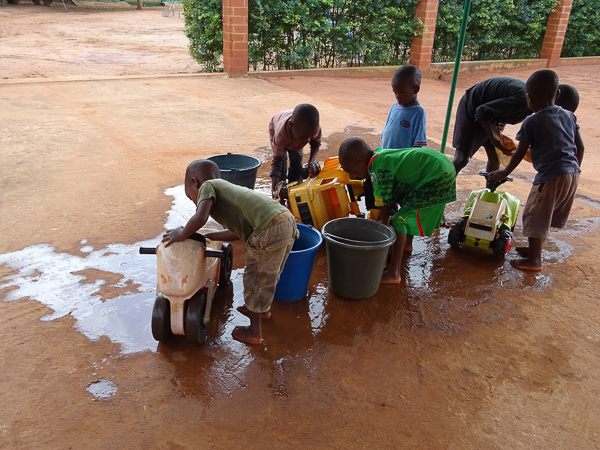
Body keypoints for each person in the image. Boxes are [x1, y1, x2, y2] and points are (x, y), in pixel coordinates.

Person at [162, 160, 299, 345]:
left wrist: (183, 233)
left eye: (191, 197)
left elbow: (200, 218)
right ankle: (262, 310)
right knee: (267, 276)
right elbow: (236, 232)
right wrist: (209, 236)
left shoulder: (208, 186)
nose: (195, 201)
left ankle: (254, 331)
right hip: (285, 221)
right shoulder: (229, 194)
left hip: (269, 227)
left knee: (255, 279)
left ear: (195, 183)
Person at [489, 70, 584, 271]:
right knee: (545, 214)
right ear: (557, 94)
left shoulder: (532, 121)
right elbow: (580, 147)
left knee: (535, 215)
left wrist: (503, 172)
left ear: (529, 98)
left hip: (550, 176)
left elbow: (519, 153)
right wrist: (574, 168)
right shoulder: (569, 115)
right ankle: (534, 251)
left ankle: (535, 261)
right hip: (572, 172)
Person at [338, 137, 456, 284]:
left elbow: (385, 207)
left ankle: (394, 273)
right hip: (439, 165)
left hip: (436, 175)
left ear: (361, 161)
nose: (358, 176)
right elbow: (391, 197)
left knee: (400, 221)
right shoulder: (379, 156)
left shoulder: (376, 170)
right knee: (407, 203)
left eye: (355, 172)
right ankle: (407, 245)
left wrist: (379, 231)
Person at [452, 76, 531, 174]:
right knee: (461, 159)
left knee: (495, 157)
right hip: (473, 106)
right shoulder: (524, 100)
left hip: (489, 115)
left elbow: (503, 109)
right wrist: (494, 139)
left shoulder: (534, 102)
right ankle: (441, 187)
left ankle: (490, 188)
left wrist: (499, 127)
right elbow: (481, 111)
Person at [269, 104, 322, 200]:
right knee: (282, 165)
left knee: (296, 164)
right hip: (277, 127)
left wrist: (311, 162)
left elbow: (316, 143)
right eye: (303, 138)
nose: (306, 141)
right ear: (291, 125)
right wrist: (274, 191)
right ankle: (282, 192)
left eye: (309, 138)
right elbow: (277, 161)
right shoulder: (281, 134)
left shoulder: (311, 129)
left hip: (295, 137)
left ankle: (294, 191)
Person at [381, 65, 427, 149]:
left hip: (402, 159)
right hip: (387, 155)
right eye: (395, 92)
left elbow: (418, 144)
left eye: (402, 92)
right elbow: (386, 131)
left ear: (415, 89)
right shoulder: (394, 107)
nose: (397, 96)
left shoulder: (418, 112)